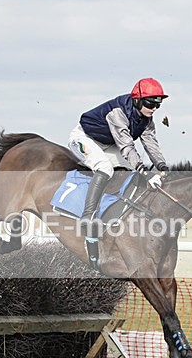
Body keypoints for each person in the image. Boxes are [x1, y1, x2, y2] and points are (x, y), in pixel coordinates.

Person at [68, 77, 169, 238]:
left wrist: (163, 167)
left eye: (158, 104)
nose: (154, 108)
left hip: (109, 143)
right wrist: (146, 173)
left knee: (129, 171)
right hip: (84, 138)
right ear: (137, 100)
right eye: (150, 103)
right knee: (105, 168)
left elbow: (151, 144)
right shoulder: (118, 113)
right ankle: (87, 216)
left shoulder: (147, 119)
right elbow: (127, 147)